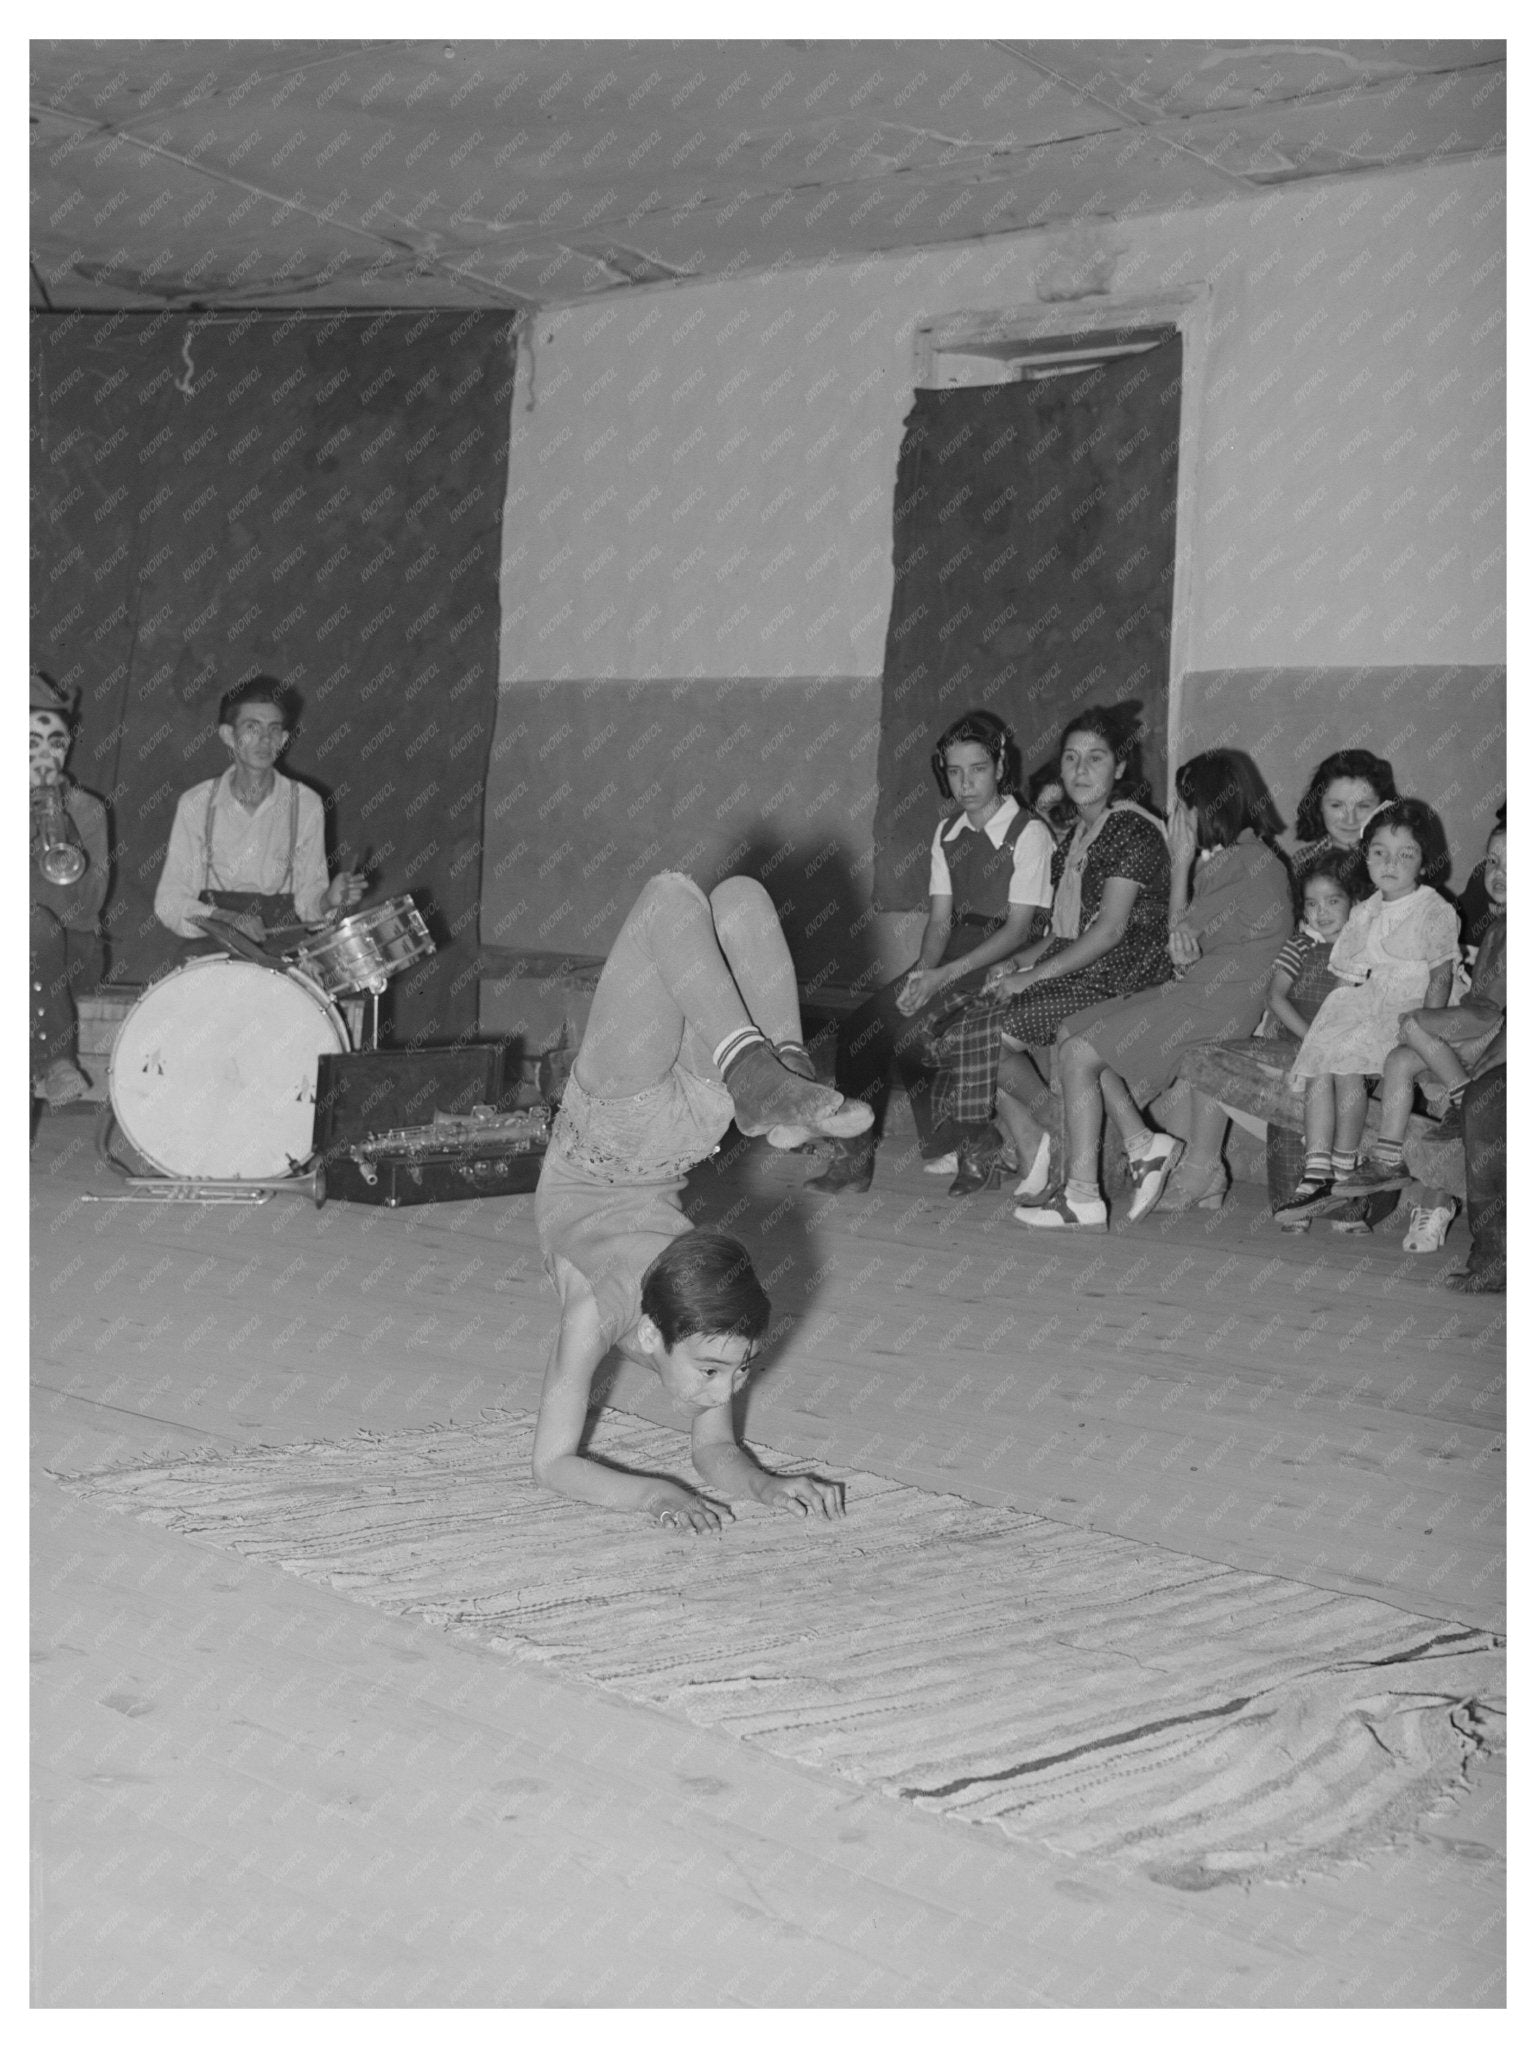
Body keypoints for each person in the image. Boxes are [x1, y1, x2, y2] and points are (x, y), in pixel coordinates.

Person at [533, 871, 871, 1533]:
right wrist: (656, 1494)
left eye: (734, 1369)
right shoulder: (693, 1314)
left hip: (612, 1123)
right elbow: (562, 1463)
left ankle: (768, 1075)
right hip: (685, 1134)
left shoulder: (604, 1314)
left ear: (653, 1334)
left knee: (676, 899)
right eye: (719, 1371)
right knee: (736, 899)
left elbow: (559, 1464)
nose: (725, 1390)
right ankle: (776, 1077)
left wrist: (765, 1487)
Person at [1024, 749, 1293, 1230]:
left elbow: (1177, 943)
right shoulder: (1238, 859)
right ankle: (1144, 1145)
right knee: (1070, 1031)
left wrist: (1180, 860)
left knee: (1081, 1053)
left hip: (1215, 1003)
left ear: (1209, 807)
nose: (1177, 817)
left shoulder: (1248, 864)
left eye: (1184, 805)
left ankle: (1084, 1194)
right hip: (1198, 990)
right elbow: (1186, 946)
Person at [807, 709, 1053, 1195]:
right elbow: (941, 919)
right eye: (955, 771)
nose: (966, 782)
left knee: (921, 1036)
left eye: (978, 769)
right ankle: (853, 1160)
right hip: (954, 949)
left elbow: (1019, 927)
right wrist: (921, 974)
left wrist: (943, 977)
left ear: (1000, 768)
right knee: (864, 1028)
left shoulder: (1030, 833)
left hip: (1009, 954)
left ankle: (977, 1143)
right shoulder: (946, 832)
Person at [930, 704, 1172, 1196]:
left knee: (987, 1038)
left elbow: (1108, 932)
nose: (1080, 771)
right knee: (969, 1022)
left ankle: (1080, 1137)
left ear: (1120, 768)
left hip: (1124, 972)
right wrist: (1012, 964)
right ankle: (1074, 1140)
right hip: (1082, 967)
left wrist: (1031, 976)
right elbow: (1059, 934)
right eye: (1071, 759)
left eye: (1096, 759)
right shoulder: (1080, 835)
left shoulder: (1131, 829)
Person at [1271, 800, 1460, 1227]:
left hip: (1409, 1012)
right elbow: (1345, 985)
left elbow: (1441, 978)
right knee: (1325, 1059)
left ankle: (1344, 1164)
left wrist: (1423, 1033)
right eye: (1379, 852)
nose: (1390, 863)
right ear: (1366, 855)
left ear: (1425, 861)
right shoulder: (1364, 911)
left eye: (1405, 854)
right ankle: (1318, 1169)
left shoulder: (1434, 909)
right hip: (1369, 1006)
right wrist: (1319, 1039)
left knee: (1346, 1060)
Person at [1160, 848, 1370, 1219]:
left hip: (1352, 1055)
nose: (1322, 912)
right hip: (1299, 1043)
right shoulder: (1301, 946)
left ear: (1354, 902)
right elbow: (1275, 995)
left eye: (1333, 901)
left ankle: (1344, 1172)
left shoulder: (1365, 951)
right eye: (1312, 904)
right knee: (1206, 1055)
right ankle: (1204, 1169)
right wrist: (1311, 1037)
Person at [153, 677, 364, 951]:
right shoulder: (196, 803)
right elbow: (170, 902)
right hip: (212, 945)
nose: (265, 739)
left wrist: (328, 901)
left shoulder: (306, 804)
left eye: (274, 730)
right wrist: (225, 918)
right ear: (228, 735)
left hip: (282, 950)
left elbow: (310, 907)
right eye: (252, 727)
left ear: (284, 739)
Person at [30, 669, 110, 1108]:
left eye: (56, 743)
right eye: (31, 743)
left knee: (33, 925)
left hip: (69, 953)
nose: (47, 757)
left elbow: (89, 908)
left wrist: (66, 835)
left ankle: (58, 1060)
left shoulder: (87, 811)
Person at [1289, 747, 1398, 896]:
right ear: (1319, 805)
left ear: (1382, 807)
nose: (1350, 819)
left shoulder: (1397, 864)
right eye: (1336, 805)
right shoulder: (1301, 862)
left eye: (1363, 806)